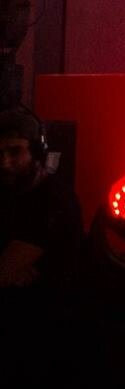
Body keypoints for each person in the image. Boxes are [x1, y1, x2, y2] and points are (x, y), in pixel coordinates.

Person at [0, 105, 81, 293]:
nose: (4, 163)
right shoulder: (9, 191)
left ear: (37, 152)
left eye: (15, 152)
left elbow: (3, 271)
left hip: (40, 315)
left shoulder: (53, 201)